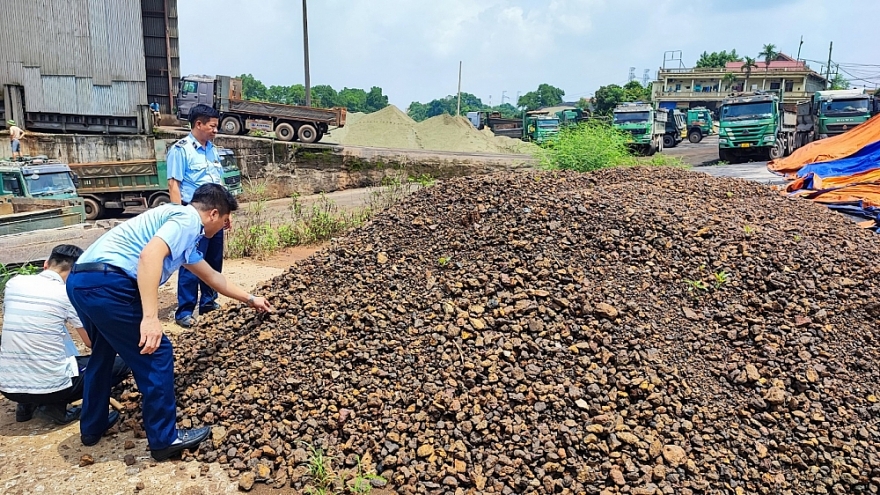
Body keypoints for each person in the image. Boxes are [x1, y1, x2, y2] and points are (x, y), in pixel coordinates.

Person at [66, 183, 273, 461]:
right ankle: (164, 439)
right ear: (213, 213)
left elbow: (213, 277)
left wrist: (251, 299)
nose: (225, 228)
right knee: (158, 352)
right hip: (109, 284)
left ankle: (93, 426)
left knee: (103, 351)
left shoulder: (180, 231)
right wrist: (150, 318)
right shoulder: (187, 220)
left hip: (81, 280)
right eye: (225, 221)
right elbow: (149, 256)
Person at [0, 245, 131, 425]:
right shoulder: (68, 293)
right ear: (75, 272)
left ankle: (26, 406)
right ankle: (54, 406)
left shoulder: (14, 283)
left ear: (46, 264)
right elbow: (91, 342)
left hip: (8, 387)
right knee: (122, 364)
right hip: (50, 388)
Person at [166, 104, 227, 329]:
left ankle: (209, 303)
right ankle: (185, 310)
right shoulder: (181, 150)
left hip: (215, 214)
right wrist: (178, 217)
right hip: (193, 214)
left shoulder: (213, 150)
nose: (215, 130)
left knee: (213, 260)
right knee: (190, 261)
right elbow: (174, 185)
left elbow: (219, 182)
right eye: (212, 126)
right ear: (198, 124)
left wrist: (225, 212)